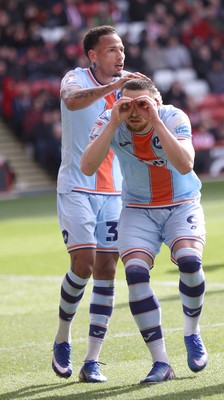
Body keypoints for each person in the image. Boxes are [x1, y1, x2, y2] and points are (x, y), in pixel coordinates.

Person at [81, 77, 208, 384]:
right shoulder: (111, 121)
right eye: (127, 105)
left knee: (190, 263)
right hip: (138, 210)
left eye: (142, 105)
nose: (134, 112)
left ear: (156, 103)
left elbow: (185, 164)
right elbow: (87, 167)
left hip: (182, 204)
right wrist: (113, 123)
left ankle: (191, 332)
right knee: (135, 273)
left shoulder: (173, 117)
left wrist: (156, 120)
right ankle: (161, 362)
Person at [52, 25, 144, 383]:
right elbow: (73, 100)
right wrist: (113, 89)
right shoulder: (75, 77)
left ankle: (92, 360)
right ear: (93, 55)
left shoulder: (132, 84)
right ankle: (63, 337)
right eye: (110, 50)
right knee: (84, 263)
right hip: (76, 185)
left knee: (107, 270)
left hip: (114, 191)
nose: (119, 55)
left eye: (121, 49)